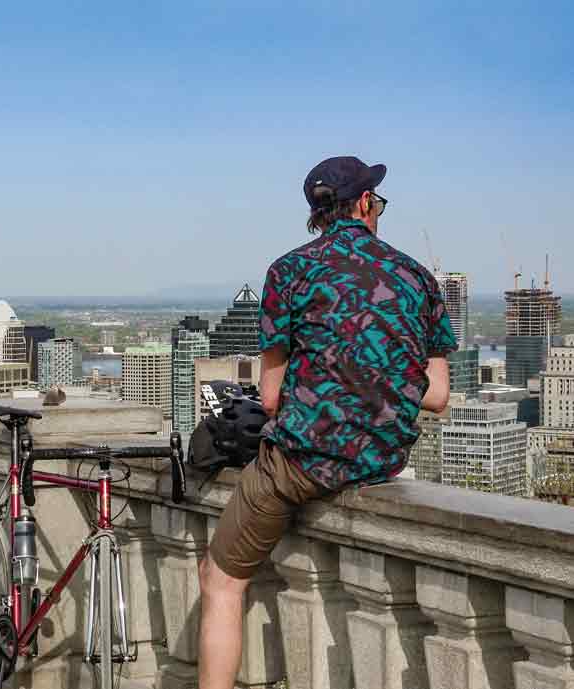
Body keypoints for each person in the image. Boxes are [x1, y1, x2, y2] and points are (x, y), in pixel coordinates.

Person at [197, 156, 457, 689]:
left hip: (302, 465)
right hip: (382, 458)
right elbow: (438, 396)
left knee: (220, 581)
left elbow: (270, 398)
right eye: (377, 201)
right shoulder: (416, 275)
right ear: (364, 203)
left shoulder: (289, 270)